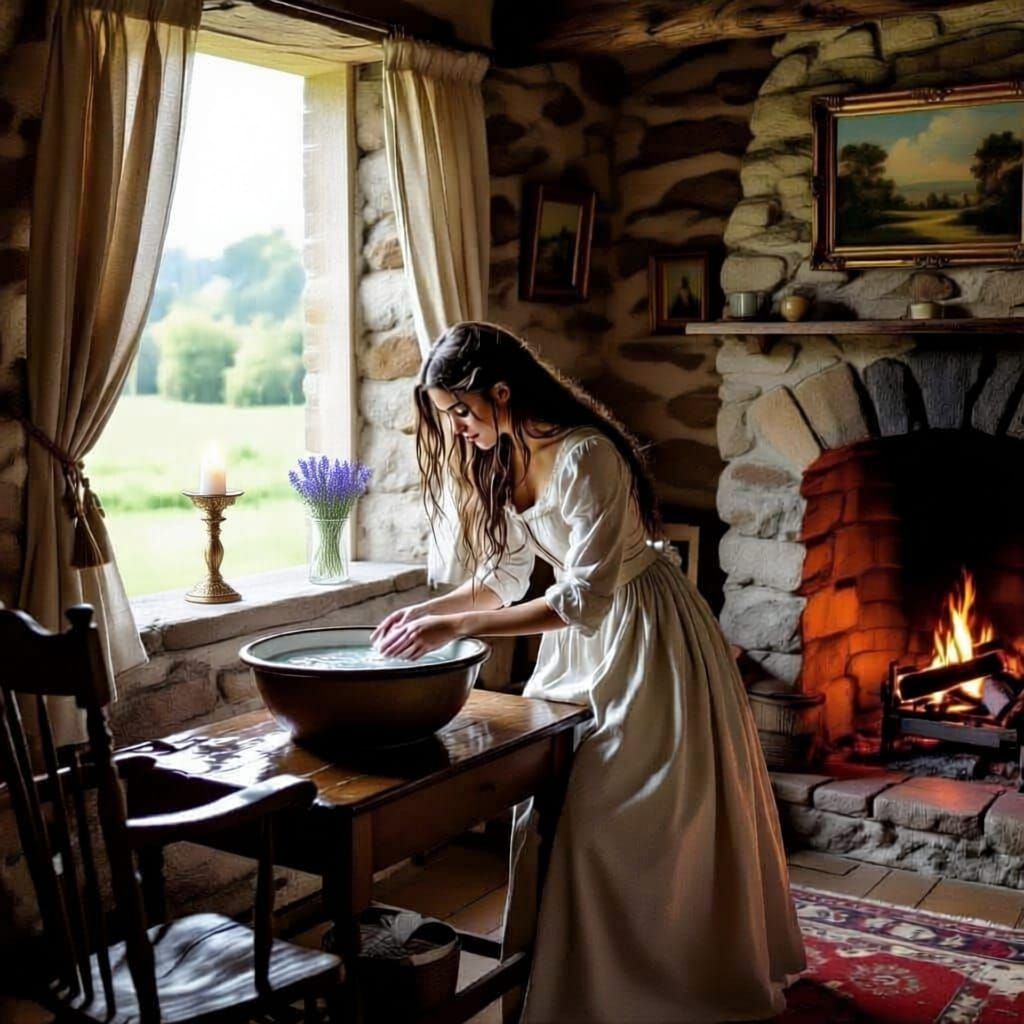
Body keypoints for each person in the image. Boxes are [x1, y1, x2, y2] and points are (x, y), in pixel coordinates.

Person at [372, 322, 805, 1023]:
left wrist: (458, 627)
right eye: (446, 415)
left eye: (461, 411)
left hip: (643, 638)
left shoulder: (586, 457)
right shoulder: (503, 455)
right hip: (580, 648)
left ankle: (658, 986)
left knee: (617, 816)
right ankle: (574, 984)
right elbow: (505, 577)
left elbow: (582, 598)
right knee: (547, 800)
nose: (455, 429)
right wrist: (432, 612)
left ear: (502, 393)